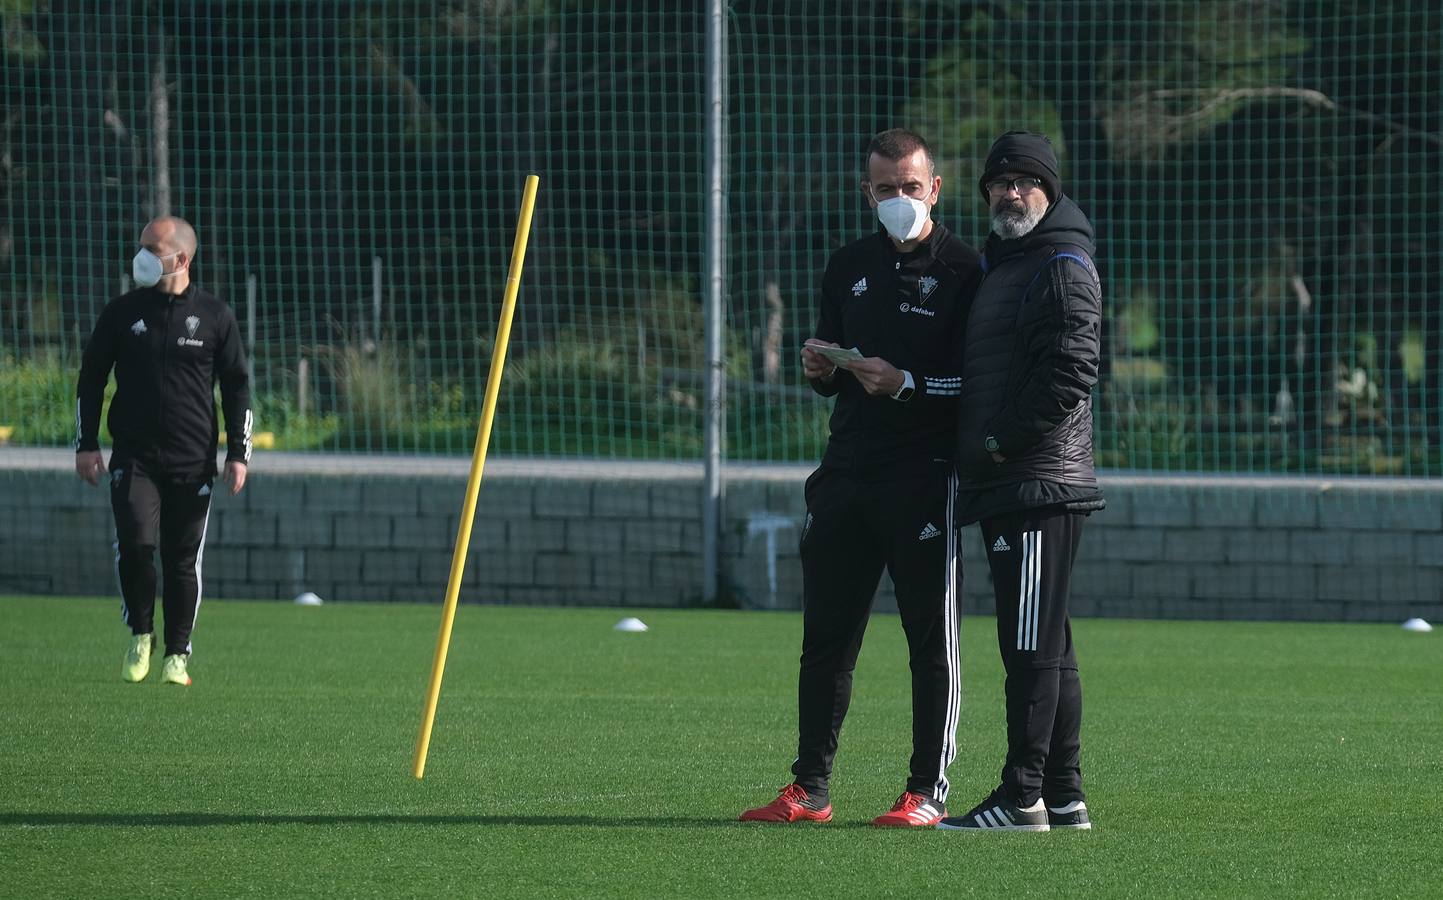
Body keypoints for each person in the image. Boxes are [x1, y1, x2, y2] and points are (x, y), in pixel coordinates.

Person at [739, 128, 982, 827]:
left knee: (928, 642)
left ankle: (924, 791)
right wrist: (819, 368)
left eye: (910, 187)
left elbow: (977, 384)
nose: (898, 199)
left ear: (934, 188)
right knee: (824, 641)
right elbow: (828, 373)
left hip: (922, 477)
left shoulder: (969, 271)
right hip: (844, 472)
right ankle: (808, 787)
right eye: (884, 189)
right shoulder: (846, 264)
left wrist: (907, 384)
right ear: (865, 193)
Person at [937, 131, 1103, 832]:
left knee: (1028, 645)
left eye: (1023, 181)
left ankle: (1020, 794)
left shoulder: (1061, 263)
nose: (1009, 192)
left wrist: (1000, 443)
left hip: (1035, 482)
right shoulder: (1005, 264)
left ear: (1049, 190)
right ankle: (1063, 797)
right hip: (1011, 483)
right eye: (997, 182)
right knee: (1047, 645)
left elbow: (1071, 372)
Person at [75, 215, 252, 687]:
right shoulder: (121, 312)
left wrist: (239, 452)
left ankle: (178, 654)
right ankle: (140, 633)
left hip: (193, 461)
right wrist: (86, 443)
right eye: (141, 247)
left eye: (152, 250)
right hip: (133, 457)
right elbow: (91, 378)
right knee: (136, 544)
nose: (141, 258)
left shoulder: (216, 316)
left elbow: (237, 387)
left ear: (182, 259)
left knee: (180, 559)